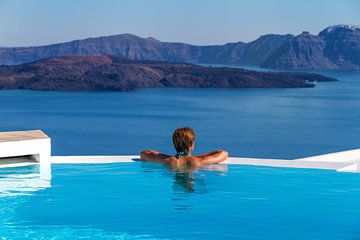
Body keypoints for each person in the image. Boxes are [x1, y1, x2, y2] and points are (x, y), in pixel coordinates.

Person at [140, 127, 228, 169]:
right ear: (192, 144)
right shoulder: (198, 162)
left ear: (174, 144)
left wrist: (166, 156)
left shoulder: (168, 161)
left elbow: (144, 153)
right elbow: (223, 153)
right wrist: (197, 157)